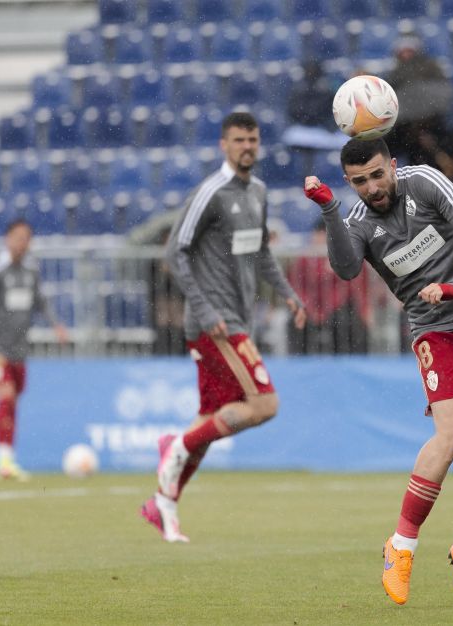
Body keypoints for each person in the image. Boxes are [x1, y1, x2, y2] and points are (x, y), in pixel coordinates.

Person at [303, 138, 453, 604]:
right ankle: (401, 545)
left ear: (392, 165)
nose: (372, 187)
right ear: (350, 182)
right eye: (359, 182)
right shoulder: (358, 222)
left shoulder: (424, 182)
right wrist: (329, 209)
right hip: (434, 332)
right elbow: (346, 270)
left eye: (377, 174)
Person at [141, 111, 307, 543]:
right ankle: (175, 443)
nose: (247, 146)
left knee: (209, 422)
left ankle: (163, 503)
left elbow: (261, 253)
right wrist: (203, 306)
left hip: (237, 319)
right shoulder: (210, 192)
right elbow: (175, 253)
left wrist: (287, 292)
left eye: (252, 138)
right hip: (215, 322)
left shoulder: (259, 192)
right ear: (223, 145)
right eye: (238, 140)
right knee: (265, 404)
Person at [0, 219, 68, 480]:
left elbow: (41, 301)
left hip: (19, 348)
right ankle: (3, 462)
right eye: (17, 237)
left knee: (13, 401)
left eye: (26, 238)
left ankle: (7, 459)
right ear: (7, 239)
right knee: (6, 395)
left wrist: (56, 325)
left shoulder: (31, 271)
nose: (22, 242)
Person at [287, 218, 370, 354]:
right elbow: (297, 287)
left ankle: (345, 360)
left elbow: (346, 289)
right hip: (310, 309)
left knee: (346, 322)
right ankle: (299, 361)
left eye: (324, 234)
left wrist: (327, 309)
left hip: (336, 310)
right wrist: (310, 308)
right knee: (295, 320)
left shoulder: (343, 257)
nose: (320, 238)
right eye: (318, 234)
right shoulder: (303, 259)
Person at [385, 35, 453, 171]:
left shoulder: (431, 68)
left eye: (409, 50)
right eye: (403, 51)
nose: (406, 54)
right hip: (405, 127)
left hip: (431, 123)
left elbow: (443, 93)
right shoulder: (394, 74)